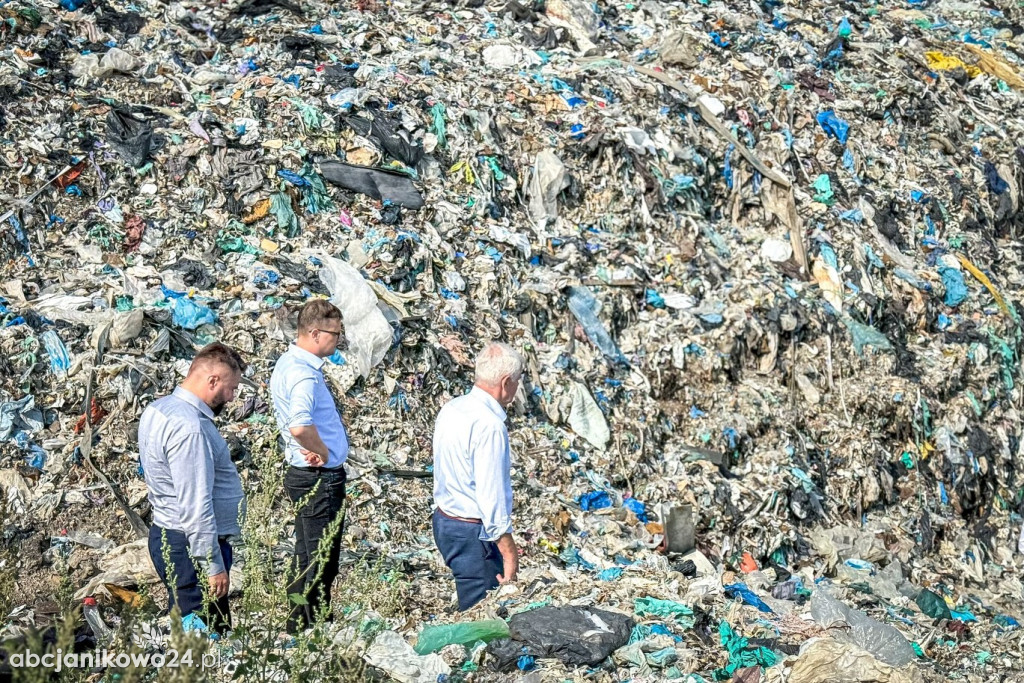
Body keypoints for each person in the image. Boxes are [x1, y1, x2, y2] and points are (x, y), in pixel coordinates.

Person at [139, 342, 247, 633]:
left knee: (193, 629)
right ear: (213, 381)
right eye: (231, 388)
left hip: (169, 535)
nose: (233, 397)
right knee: (208, 640)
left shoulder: (159, 409)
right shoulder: (189, 428)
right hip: (190, 548)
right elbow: (195, 505)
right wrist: (212, 565)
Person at [270, 299, 350, 632]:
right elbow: (300, 425)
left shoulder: (288, 363)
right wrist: (324, 453)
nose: (338, 341)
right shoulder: (304, 375)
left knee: (307, 554)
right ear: (315, 333)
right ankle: (309, 629)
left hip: (306, 476)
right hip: (319, 477)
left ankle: (300, 624)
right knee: (320, 560)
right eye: (335, 334)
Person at [432, 341, 524, 611]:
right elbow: (490, 494)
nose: (517, 389)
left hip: (445, 520)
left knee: (472, 605)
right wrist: (509, 552)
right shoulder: (490, 425)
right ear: (506, 382)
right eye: (518, 381)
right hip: (473, 533)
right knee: (481, 616)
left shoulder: (453, 408)